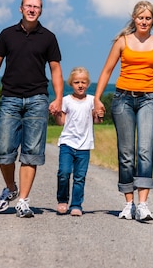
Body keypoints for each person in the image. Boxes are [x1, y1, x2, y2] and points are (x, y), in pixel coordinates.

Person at [0, 0, 63, 218]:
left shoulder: (49, 37)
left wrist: (58, 98)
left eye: (36, 7)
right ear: (20, 9)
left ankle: (23, 200)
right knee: (4, 150)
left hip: (37, 98)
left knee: (31, 153)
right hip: (10, 98)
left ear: (41, 11)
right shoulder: (7, 35)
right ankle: (11, 188)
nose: (32, 10)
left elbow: (55, 69)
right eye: (28, 6)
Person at [93, 0, 153, 222]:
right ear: (134, 18)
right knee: (126, 152)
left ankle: (143, 205)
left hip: (149, 99)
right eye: (140, 17)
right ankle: (129, 204)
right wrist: (97, 99)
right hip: (122, 99)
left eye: (148, 18)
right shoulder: (122, 42)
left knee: (145, 150)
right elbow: (107, 70)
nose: (144, 21)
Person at [55, 67, 101, 217]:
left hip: (84, 145)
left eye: (83, 82)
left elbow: (96, 121)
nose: (80, 85)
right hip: (67, 143)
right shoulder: (66, 100)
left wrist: (99, 115)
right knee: (64, 172)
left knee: (79, 177)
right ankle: (62, 200)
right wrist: (55, 113)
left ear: (88, 83)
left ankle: (76, 204)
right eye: (76, 82)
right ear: (71, 84)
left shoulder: (92, 101)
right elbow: (61, 122)